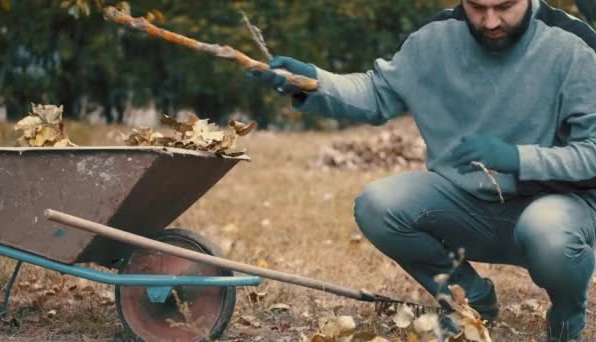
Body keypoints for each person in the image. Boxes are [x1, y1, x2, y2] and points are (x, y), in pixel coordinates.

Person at [247, 0, 596, 340]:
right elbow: (375, 92)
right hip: (468, 206)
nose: (490, 22)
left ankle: (567, 317)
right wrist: (313, 81)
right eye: (478, 8)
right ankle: (468, 300)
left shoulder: (573, 44)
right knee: (379, 204)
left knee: (547, 231)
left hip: (553, 208)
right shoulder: (434, 38)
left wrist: (518, 159)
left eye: (504, 7)